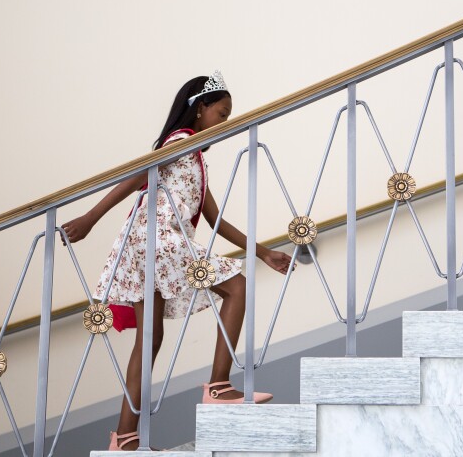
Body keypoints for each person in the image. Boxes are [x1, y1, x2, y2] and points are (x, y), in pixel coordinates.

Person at [62, 71, 292, 451]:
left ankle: (125, 439)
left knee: (150, 338)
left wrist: (264, 252)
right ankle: (219, 386)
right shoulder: (181, 142)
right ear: (200, 110)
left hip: (143, 244)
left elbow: (215, 218)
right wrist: (91, 217)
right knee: (235, 286)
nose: (225, 122)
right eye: (222, 113)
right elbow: (138, 174)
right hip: (160, 240)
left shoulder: (195, 159)